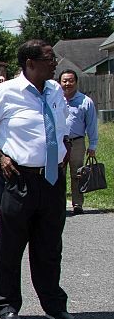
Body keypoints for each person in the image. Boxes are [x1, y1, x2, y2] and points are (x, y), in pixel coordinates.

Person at [0, 40, 76, 319]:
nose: (55, 63)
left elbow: (59, 127)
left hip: (51, 179)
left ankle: (54, 305)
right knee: (12, 246)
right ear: (31, 63)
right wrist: (0, 156)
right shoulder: (6, 93)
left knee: (50, 246)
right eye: (49, 59)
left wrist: (62, 147)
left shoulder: (54, 92)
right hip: (19, 180)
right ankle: (7, 304)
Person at [59, 69, 99, 215]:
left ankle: (77, 204)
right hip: (59, 143)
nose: (67, 83)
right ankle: (59, 204)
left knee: (77, 174)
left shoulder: (85, 101)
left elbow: (92, 125)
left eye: (70, 80)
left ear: (76, 82)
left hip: (77, 142)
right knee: (58, 174)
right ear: (60, 82)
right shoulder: (55, 100)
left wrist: (92, 145)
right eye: (64, 81)